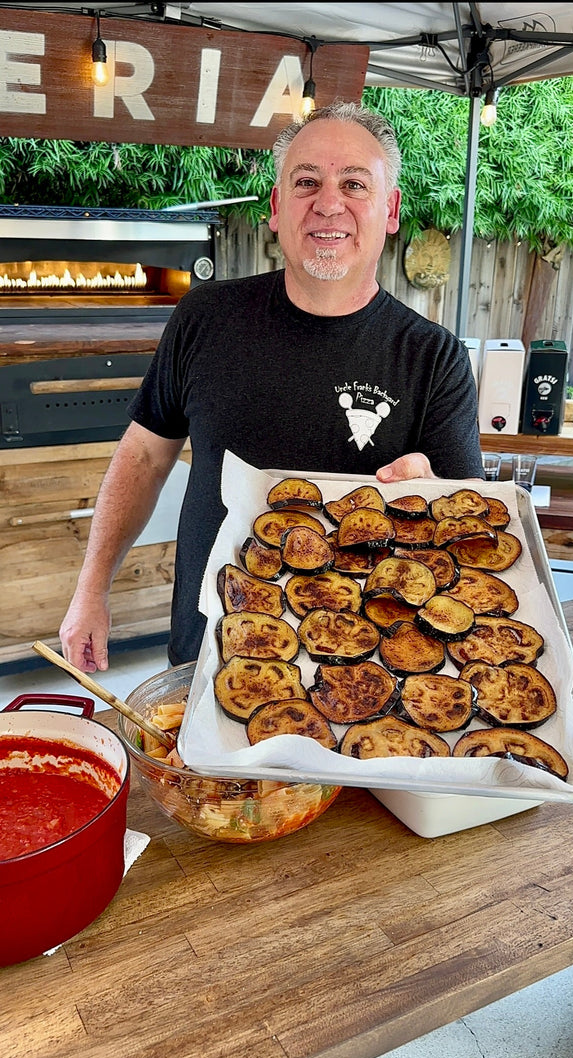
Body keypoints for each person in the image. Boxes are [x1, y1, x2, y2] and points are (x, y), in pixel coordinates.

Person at [59, 99, 484, 673]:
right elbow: (143, 456)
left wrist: (430, 499)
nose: (328, 203)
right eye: (306, 181)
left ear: (390, 210)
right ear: (277, 208)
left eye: (354, 184)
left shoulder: (435, 358)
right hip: (206, 649)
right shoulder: (205, 317)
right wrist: (91, 588)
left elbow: (467, 529)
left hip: (363, 676)